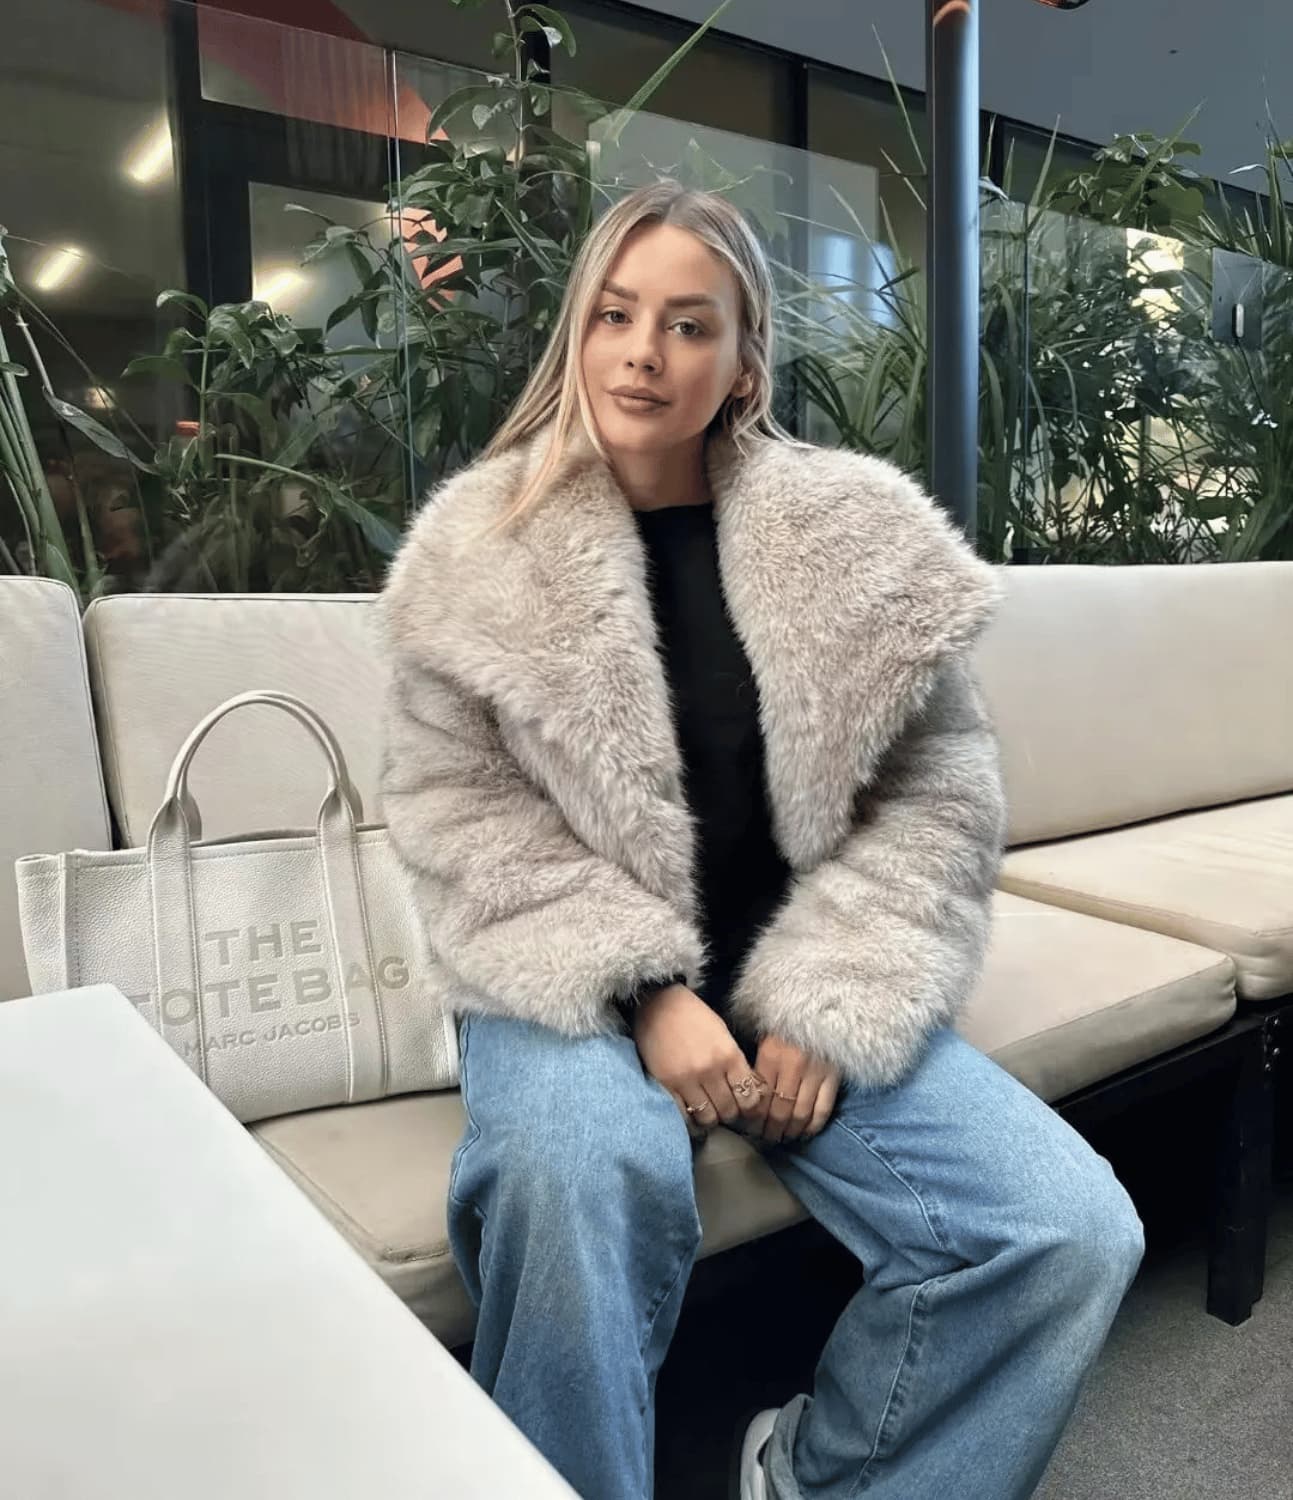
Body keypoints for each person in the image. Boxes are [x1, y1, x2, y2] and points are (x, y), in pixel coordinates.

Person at [378, 179, 1144, 1500]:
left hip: (802, 971)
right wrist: (644, 990)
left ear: (742, 362)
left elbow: (937, 801)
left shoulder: (855, 538)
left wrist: (829, 1002)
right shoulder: (474, 553)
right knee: (580, 1169)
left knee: (1065, 1229)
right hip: (564, 982)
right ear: (578, 332)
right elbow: (458, 814)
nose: (643, 352)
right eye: (616, 315)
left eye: (688, 324)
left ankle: (813, 1478)